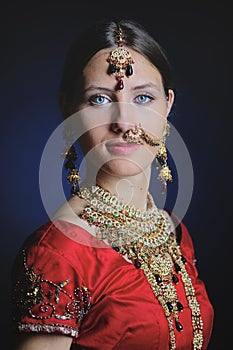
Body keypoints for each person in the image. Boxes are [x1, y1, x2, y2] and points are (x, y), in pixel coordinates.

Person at [11, 19, 214, 350]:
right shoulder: (59, 253)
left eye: (144, 98)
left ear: (168, 106)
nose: (125, 124)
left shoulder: (172, 232)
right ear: (68, 110)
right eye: (100, 100)